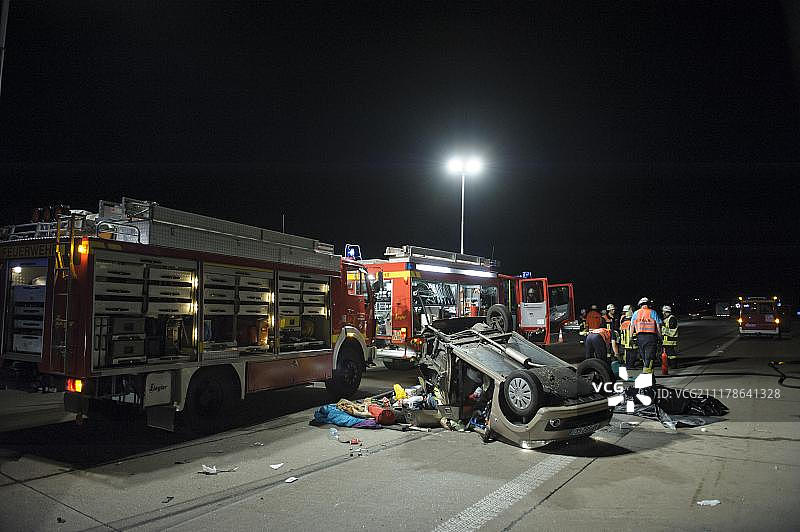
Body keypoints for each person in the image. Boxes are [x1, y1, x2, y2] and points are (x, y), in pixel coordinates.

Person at [631, 297, 662, 373]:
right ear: (649, 304)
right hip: (651, 337)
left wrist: (631, 337)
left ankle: (648, 373)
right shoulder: (653, 312)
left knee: (644, 356)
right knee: (650, 356)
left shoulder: (636, 313)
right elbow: (658, 326)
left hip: (640, 337)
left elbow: (632, 326)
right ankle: (647, 373)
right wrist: (660, 337)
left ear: (640, 305)